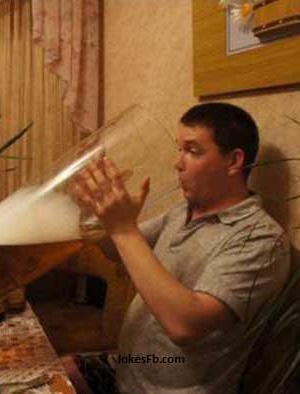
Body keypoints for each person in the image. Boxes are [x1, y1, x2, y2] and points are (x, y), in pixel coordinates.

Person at [72, 102, 291, 394]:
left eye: (193, 151)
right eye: (179, 149)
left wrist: (124, 229)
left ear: (234, 161)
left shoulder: (260, 239)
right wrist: (101, 219)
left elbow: (185, 325)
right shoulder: (182, 211)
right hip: (124, 372)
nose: (178, 163)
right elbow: (115, 251)